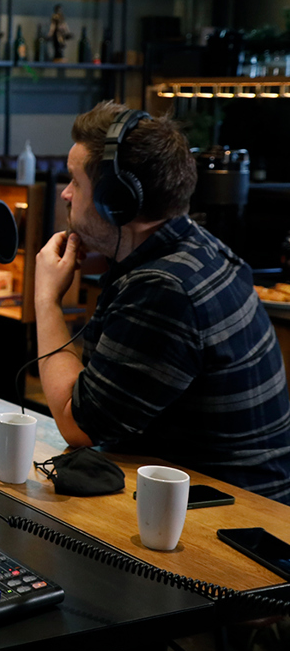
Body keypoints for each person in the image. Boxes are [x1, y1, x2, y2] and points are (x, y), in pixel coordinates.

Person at [33, 101, 290, 501]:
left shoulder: (164, 289)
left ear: (117, 201)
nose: (65, 194)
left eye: (75, 182)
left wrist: (47, 298)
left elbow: (77, 422)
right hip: (219, 499)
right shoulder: (197, 249)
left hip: (230, 520)